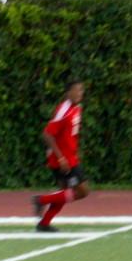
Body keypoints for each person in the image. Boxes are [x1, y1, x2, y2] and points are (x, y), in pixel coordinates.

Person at [32, 80, 91, 232]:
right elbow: (47, 134)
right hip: (63, 160)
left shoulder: (77, 108)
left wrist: (74, 150)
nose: (80, 93)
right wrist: (61, 158)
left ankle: (44, 223)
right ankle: (41, 200)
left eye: (81, 90)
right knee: (83, 191)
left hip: (70, 156)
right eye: (77, 90)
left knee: (64, 194)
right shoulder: (63, 110)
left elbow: (69, 134)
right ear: (68, 92)